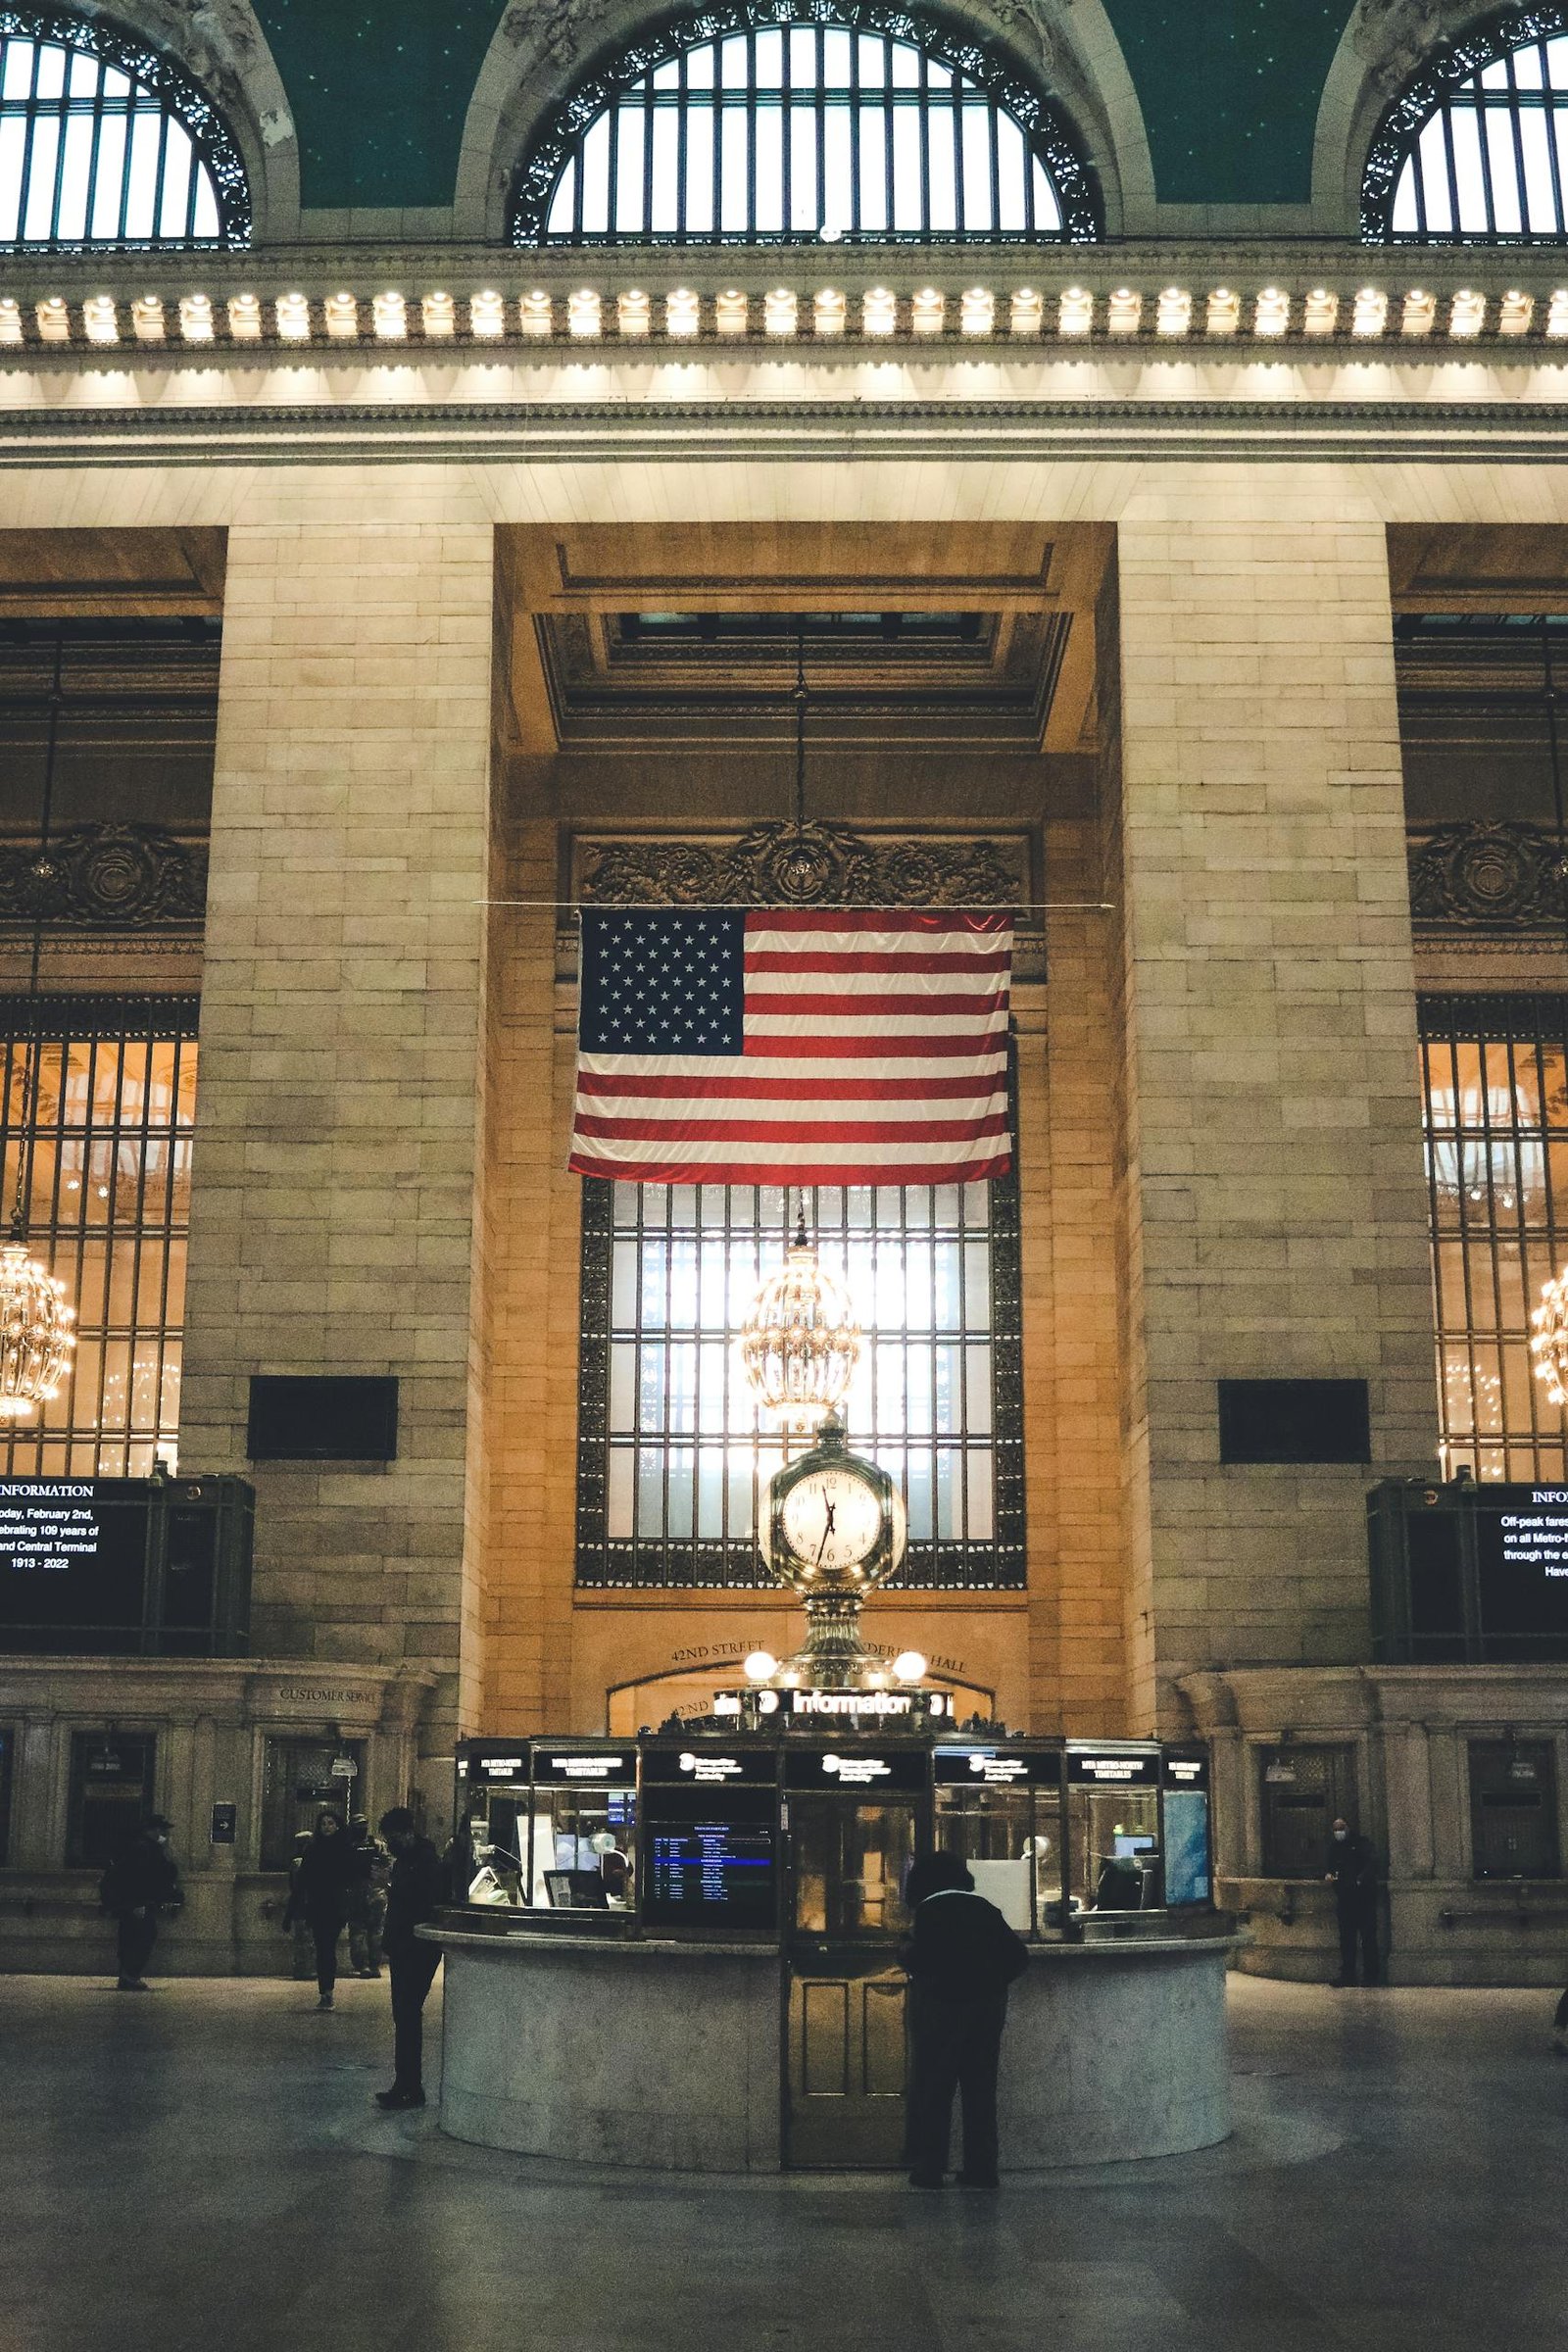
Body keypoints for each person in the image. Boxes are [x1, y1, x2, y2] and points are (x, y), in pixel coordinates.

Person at [901, 1849, 1029, 2191]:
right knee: (980, 2091)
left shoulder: (929, 1912)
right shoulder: (985, 1909)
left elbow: (920, 1959)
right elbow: (1018, 1957)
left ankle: (930, 2169)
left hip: (943, 2009)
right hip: (987, 2010)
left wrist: (905, 1955)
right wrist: (993, 1984)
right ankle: (983, 2168)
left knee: (936, 2088)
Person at [375, 1805, 444, 2110]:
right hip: (403, 1946)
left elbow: (420, 1900)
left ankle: (410, 2087)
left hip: (417, 1947)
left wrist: (390, 1885)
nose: (390, 1843)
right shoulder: (406, 1860)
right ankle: (404, 2084)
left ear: (407, 1832)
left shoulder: (425, 1861)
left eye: (393, 1837)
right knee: (403, 2017)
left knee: (407, 2014)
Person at [283, 1808, 358, 2009]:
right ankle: (325, 1991)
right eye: (324, 1823)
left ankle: (328, 1990)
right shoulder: (312, 1850)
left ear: (338, 1825)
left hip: (335, 1906)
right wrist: (290, 1912)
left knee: (327, 1947)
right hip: (317, 1905)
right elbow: (302, 1882)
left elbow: (353, 1879)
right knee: (322, 1947)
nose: (327, 1827)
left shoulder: (345, 1849)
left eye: (331, 1823)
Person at [99, 1816, 182, 1991]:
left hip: (131, 1902)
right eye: (161, 1830)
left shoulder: (141, 1847)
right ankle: (130, 1976)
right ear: (151, 1830)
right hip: (136, 1903)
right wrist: (137, 1903)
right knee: (143, 1936)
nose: (164, 1834)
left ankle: (127, 1976)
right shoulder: (144, 1849)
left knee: (131, 1937)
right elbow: (139, 1878)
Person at [1324, 1816, 1381, 1986]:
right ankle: (1348, 1974)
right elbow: (1329, 1866)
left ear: (1347, 1828)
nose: (1338, 1833)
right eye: (1335, 1830)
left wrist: (1360, 1879)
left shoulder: (1361, 1844)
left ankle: (1370, 1976)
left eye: (1340, 1829)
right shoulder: (1334, 1848)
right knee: (1346, 1939)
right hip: (1345, 1898)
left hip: (1363, 1898)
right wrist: (1329, 1875)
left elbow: (1372, 1863)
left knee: (1368, 1938)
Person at [345, 1816, 388, 1979]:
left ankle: (363, 1966)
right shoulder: (377, 1845)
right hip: (374, 1892)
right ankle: (373, 1965)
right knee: (375, 1931)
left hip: (359, 1892)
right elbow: (387, 1866)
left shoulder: (349, 1847)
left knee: (358, 1931)